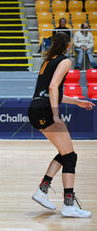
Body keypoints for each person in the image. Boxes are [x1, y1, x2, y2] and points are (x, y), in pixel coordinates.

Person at [28, 32, 94, 218]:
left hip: (35, 108)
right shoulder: (65, 61)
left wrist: (77, 102)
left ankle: (43, 191)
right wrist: (56, 115)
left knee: (67, 154)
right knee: (70, 157)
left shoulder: (47, 61)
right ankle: (68, 205)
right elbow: (52, 88)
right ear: (68, 45)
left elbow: (52, 92)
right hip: (46, 111)